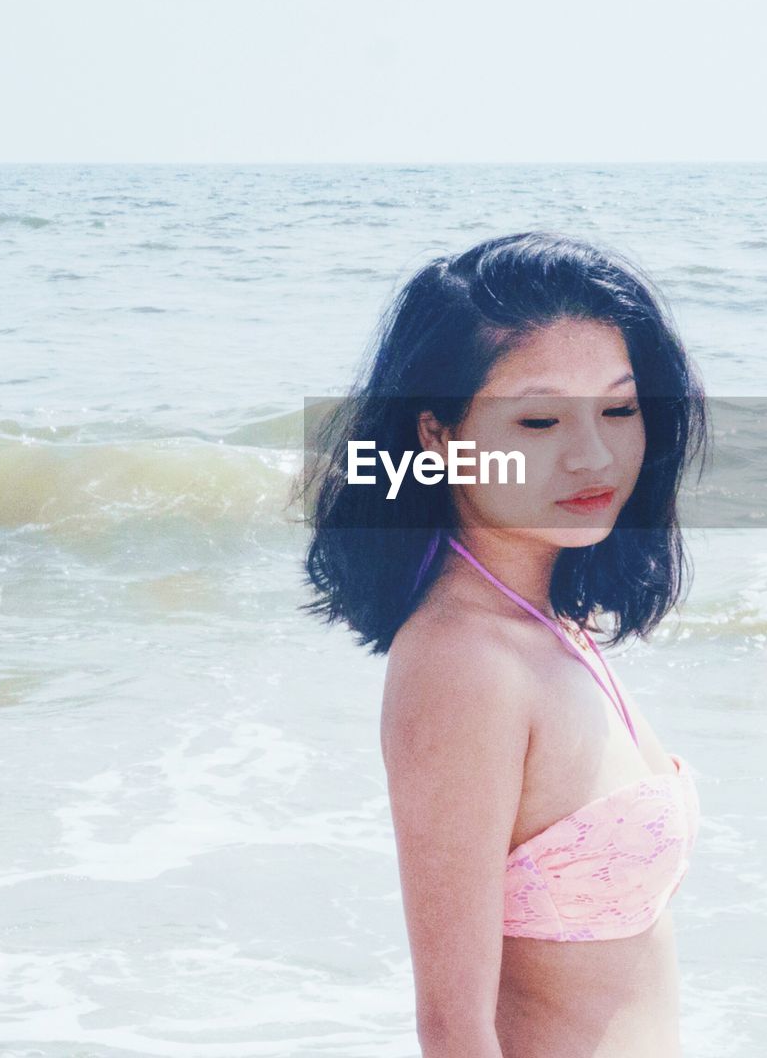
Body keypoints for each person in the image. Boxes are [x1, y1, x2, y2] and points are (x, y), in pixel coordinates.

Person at [303, 231, 709, 1056]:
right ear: (439, 437)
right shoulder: (464, 664)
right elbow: (453, 1029)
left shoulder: (552, 624)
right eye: (538, 418)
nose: (593, 452)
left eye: (621, 408)